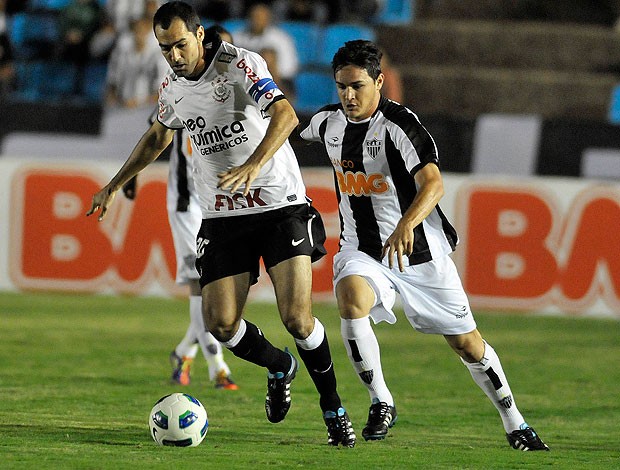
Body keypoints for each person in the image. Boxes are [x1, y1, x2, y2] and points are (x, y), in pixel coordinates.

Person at [87, 1, 355, 447]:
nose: (172, 55)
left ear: (198, 35)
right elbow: (158, 135)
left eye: (178, 44)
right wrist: (115, 184)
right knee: (221, 324)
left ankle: (333, 408)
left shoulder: (240, 64)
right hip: (222, 214)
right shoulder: (172, 86)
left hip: (277, 203)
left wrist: (253, 164)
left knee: (297, 317)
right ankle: (279, 366)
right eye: (163, 48)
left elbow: (286, 116)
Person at [299, 39, 549, 451]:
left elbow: (433, 182)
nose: (348, 95)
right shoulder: (328, 123)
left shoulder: (399, 124)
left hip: (420, 253)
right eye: (341, 86)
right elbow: (287, 125)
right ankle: (381, 400)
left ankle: (515, 422)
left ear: (379, 81)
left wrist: (406, 223)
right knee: (350, 298)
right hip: (362, 249)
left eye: (357, 86)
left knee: (467, 344)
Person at [121, 25, 238, 390]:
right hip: (187, 205)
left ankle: (184, 351)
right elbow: (154, 131)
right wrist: (132, 174)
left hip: (223, 206)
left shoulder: (236, 93)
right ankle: (218, 367)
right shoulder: (183, 89)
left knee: (222, 295)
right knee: (201, 287)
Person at [233, 3, 299, 97]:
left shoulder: (281, 39)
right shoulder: (238, 37)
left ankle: (275, 100)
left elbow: (288, 69)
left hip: (276, 81)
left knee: (268, 56)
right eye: (254, 17)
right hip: (243, 79)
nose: (256, 20)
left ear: (268, 18)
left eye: (260, 17)